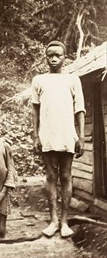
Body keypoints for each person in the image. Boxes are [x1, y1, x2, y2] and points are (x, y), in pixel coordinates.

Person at [32, 40, 85, 238]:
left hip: (66, 134)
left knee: (65, 176)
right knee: (51, 176)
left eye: (58, 55)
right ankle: (53, 220)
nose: (54, 58)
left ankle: (64, 221)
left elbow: (79, 108)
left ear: (65, 57)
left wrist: (80, 136)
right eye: (50, 55)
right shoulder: (39, 80)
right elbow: (35, 109)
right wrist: (36, 135)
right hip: (47, 134)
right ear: (46, 57)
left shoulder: (73, 79)